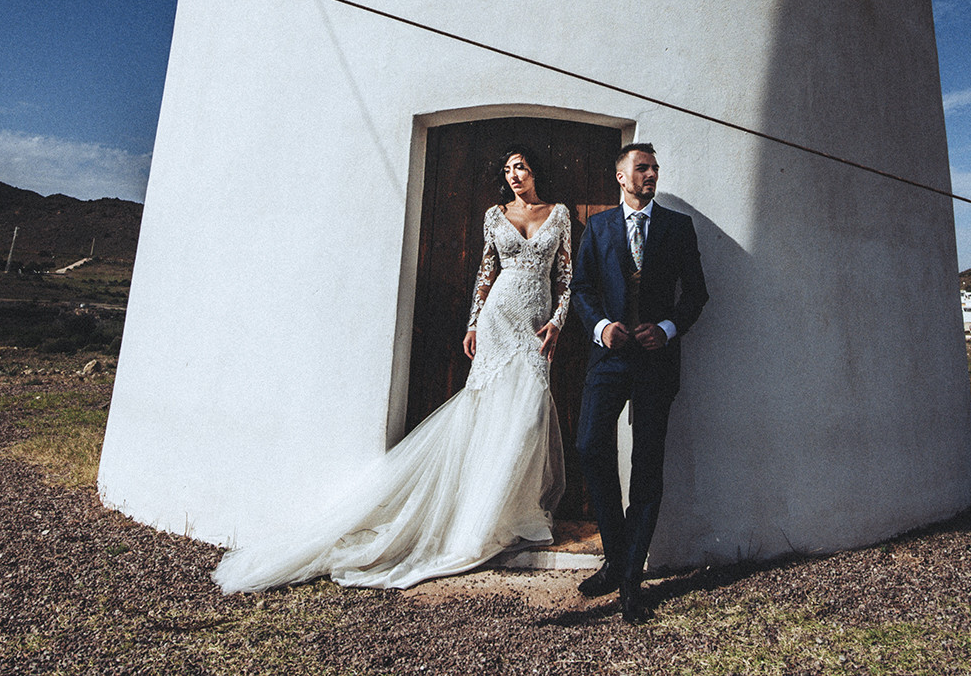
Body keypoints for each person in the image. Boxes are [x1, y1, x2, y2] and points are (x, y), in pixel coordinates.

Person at [213, 147, 572, 591]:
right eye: (507, 170)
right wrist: (473, 322)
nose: (513, 175)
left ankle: (510, 509)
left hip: (536, 323)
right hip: (498, 319)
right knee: (488, 412)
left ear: (534, 171)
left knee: (528, 416)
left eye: (520, 167)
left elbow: (565, 277)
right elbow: (485, 272)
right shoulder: (494, 215)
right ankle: (479, 514)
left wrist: (558, 322)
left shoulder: (558, 214)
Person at [571, 142, 709, 622]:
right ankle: (616, 556)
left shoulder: (677, 227)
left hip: (655, 363)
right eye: (642, 168)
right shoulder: (599, 227)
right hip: (608, 360)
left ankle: (631, 579)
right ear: (621, 177)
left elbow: (697, 293)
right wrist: (600, 327)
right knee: (590, 446)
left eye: (655, 168)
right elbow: (581, 288)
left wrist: (667, 328)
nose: (651, 174)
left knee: (647, 466)